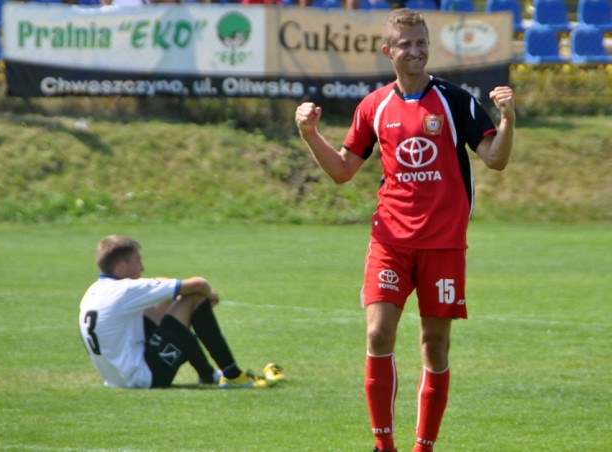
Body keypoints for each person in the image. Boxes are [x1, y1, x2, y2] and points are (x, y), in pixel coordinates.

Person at [295, 8, 514, 452]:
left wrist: (509, 121)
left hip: (444, 244)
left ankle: (423, 447)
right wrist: (309, 133)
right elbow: (342, 170)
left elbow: (496, 159)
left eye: (421, 43)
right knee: (378, 333)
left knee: (434, 345)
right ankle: (384, 446)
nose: (415, 52)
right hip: (390, 240)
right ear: (387, 51)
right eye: (406, 45)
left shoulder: (456, 101)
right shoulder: (374, 106)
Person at [79, 235, 284, 389]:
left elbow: (161, 295)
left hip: (116, 379)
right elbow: (198, 284)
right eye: (137, 261)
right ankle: (233, 375)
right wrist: (210, 296)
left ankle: (209, 375)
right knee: (194, 297)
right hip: (144, 378)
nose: (142, 268)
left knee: (167, 304)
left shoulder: (94, 291)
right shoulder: (125, 290)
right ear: (122, 266)